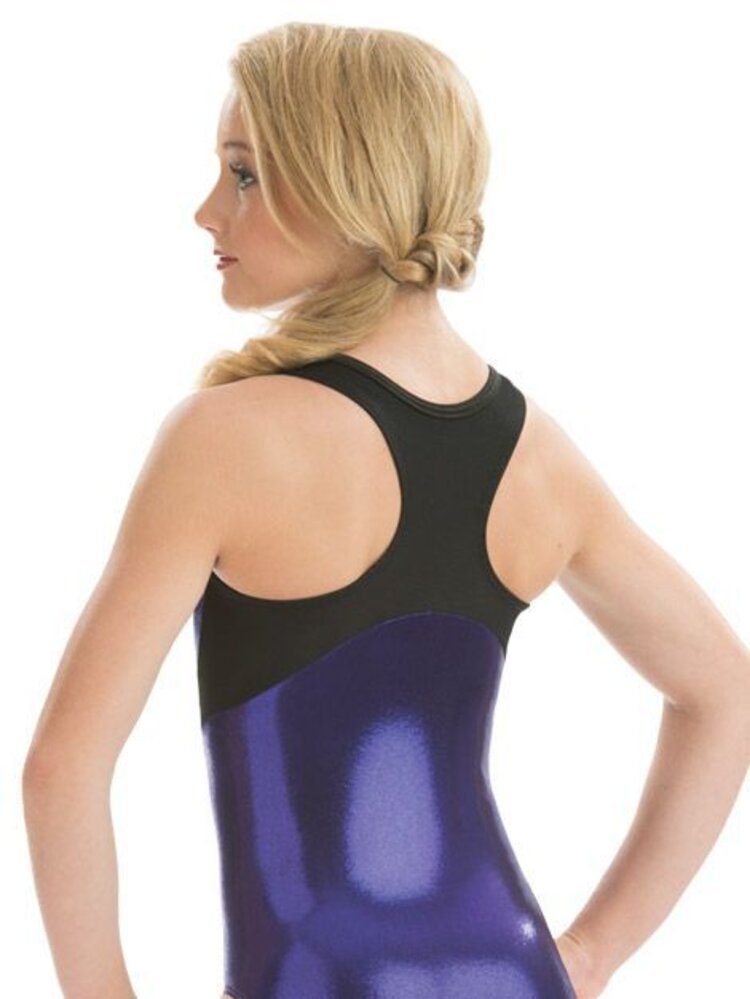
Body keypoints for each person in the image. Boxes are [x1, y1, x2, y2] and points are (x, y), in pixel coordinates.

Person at [22, 22, 749, 999]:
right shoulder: (536, 455)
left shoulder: (223, 440)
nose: (207, 210)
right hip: (510, 968)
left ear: (344, 187)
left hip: (317, 979)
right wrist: (588, 954)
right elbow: (724, 689)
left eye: (244, 174)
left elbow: (62, 769)